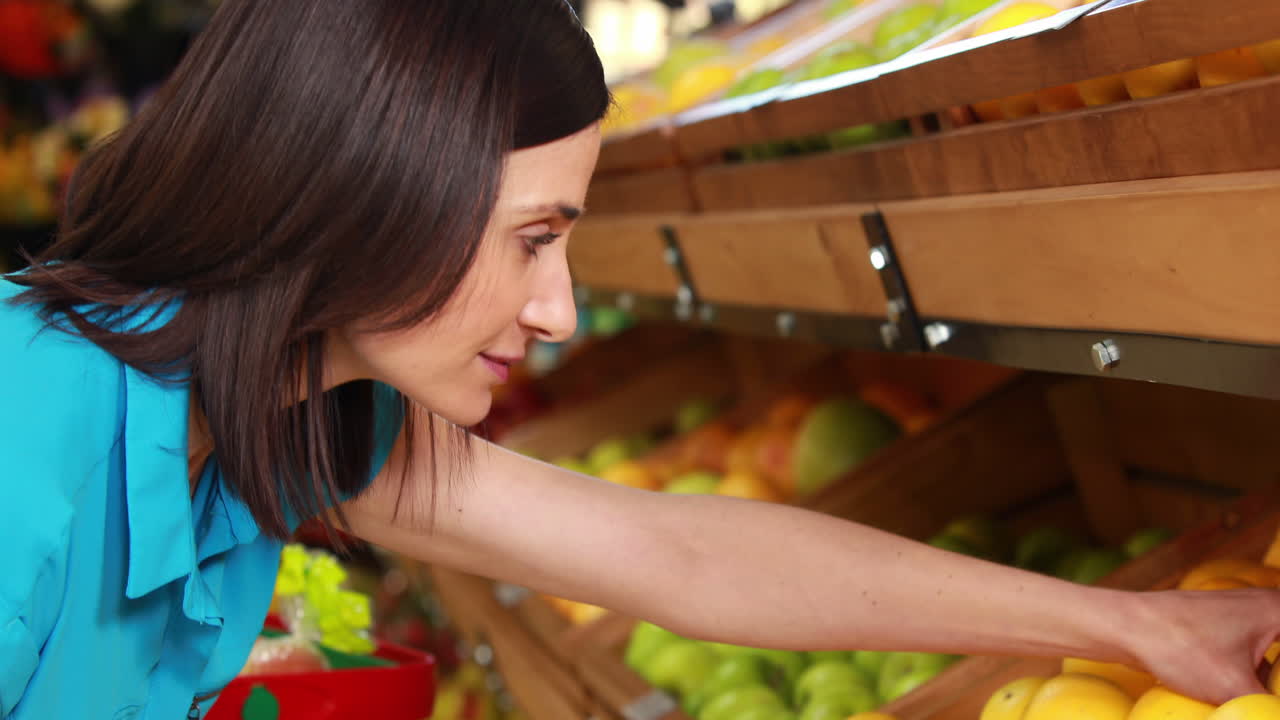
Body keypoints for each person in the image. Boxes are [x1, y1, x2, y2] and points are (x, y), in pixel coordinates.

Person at [1, 1, 1277, 717]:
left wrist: (1135, 628)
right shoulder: (23, 445)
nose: (555, 311)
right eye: (530, 241)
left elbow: (678, 555)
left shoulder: (297, 416)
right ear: (364, 201)